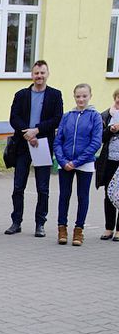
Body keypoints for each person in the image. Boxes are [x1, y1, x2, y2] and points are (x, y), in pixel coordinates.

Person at [6, 60, 64, 237]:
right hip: (23, 144)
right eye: (36, 73)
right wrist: (26, 133)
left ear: (47, 74)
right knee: (18, 186)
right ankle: (16, 222)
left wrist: (36, 130)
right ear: (32, 75)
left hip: (43, 144)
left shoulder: (55, 95)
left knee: (43, 188)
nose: (39, 76)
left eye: (42, 73)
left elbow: (57, 118)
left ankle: (40, 223)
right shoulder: (21, 94)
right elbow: (13, 117)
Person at [53, 83, 103, 246]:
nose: (81, 99)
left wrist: (77, 161)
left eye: (84, 96)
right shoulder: (67, 116)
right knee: (64, 195)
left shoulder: (95, 116)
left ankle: (78, 230)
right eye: (78, 96)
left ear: (90, 96)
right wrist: (63, 160)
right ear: (74, 97)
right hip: (65, 163)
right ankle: (62, 229)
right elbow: (58, 140)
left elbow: (96, 142)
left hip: (84, 163)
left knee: (83, 197)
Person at [95, 88, 119, 241]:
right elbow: (100, 138)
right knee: (109, 194)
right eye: (118, 100)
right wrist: (110, 130)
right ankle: (109, 228)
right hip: (109, 160)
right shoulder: (106, 115)